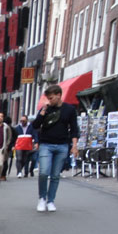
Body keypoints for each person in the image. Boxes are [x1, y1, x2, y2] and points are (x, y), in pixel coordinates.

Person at [31, 84, 80, 212]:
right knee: (43, 172)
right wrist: (41, 113)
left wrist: (74, 146)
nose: (49, 101)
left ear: (59, 95)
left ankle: (51, 200)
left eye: (51, 98)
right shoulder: (45, 109)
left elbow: (74, 129)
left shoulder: (69, 110)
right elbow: (35, 125)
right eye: (48, 98)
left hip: (62, 145)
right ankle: (42, 198)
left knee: (55, 175)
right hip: (46, 144)